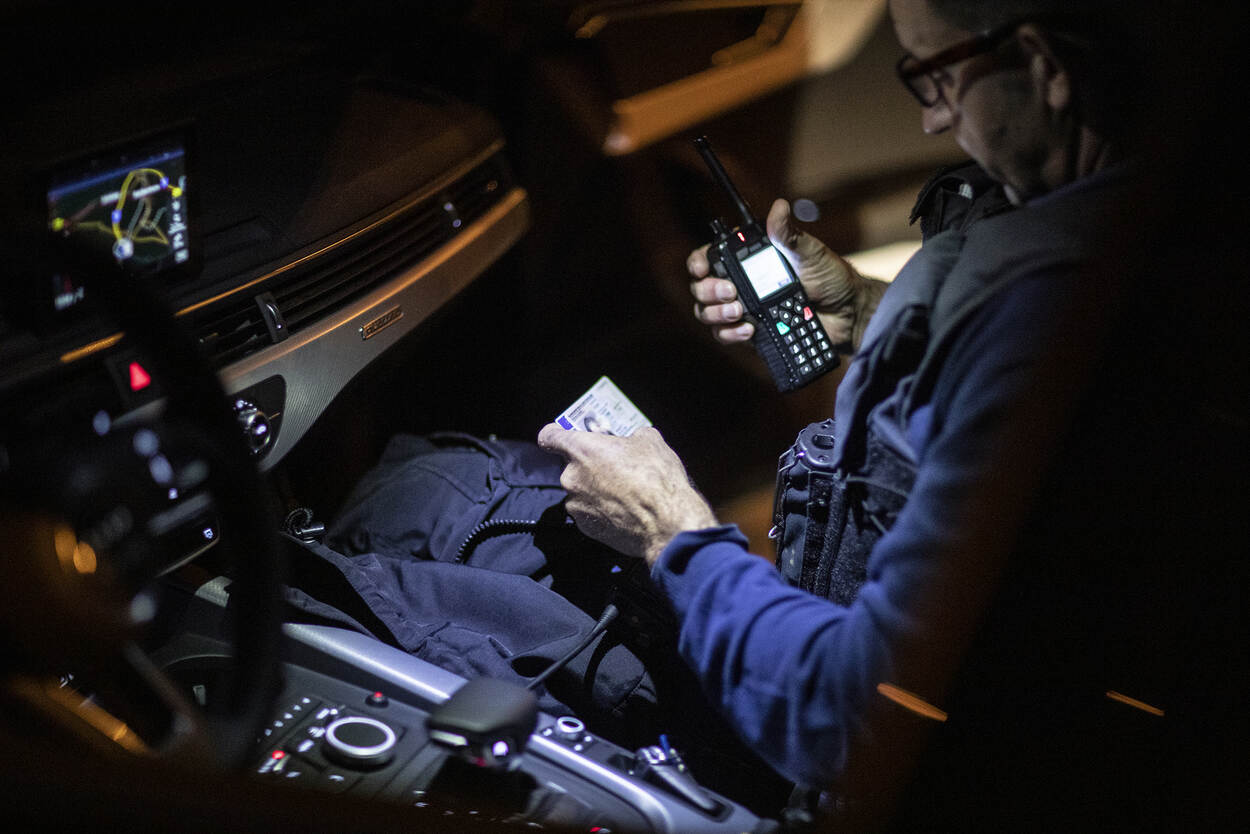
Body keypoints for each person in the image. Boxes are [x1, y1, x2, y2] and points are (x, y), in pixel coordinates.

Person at [535, 0, 1244, 828]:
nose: (935, 119)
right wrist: (864, 314)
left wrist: (671, 529)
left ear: (1046, 64)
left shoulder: (1046, 319)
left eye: (934, 73)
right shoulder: (1152, 225)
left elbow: (852, 712)